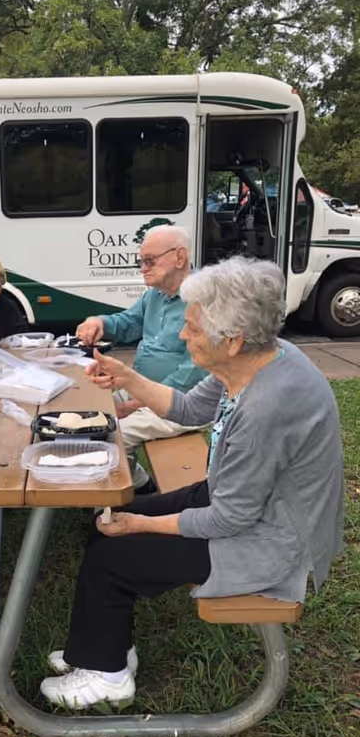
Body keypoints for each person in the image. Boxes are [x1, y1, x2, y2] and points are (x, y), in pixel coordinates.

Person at [41, 256, 344, 709]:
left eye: (194, 330)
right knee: (108, 521)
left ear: (233, 339)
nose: (184, 336)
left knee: (115, 555)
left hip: (268, 540)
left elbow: (229, 518)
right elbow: (187, 409)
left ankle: (108, 678)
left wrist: (140, 528)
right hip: (246, 505)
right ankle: (105, 649)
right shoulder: (256, 359)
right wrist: (126, 377)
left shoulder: (266, 408)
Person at [76, 226, 206, 486]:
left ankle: (121, 502)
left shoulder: (204, 298)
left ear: (180, 257)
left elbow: (190, 376)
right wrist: (98, 322)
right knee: (82, 408)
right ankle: (134, 486)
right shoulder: (155, 295)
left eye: (149, 260)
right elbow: (127, 322)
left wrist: (135, 404)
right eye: (141, 261)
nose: (142, 268)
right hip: (139, 390)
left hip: (180, 406)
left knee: (108, 436)